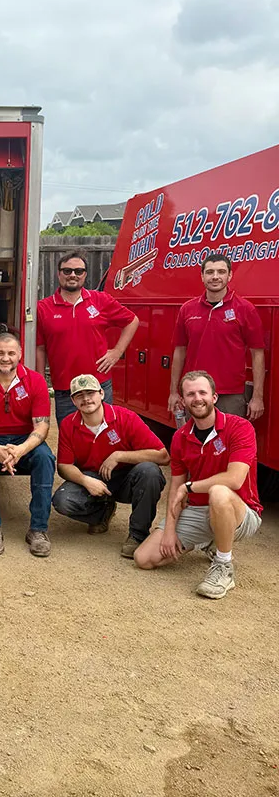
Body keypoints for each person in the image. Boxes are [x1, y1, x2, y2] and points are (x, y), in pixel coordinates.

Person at [134, 370, 262, 600]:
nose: (197, 398)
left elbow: (234, 479)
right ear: (183, 401)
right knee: (144, 559)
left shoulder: (239, 427)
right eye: (190, 394)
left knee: (219, 492)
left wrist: (190, 487)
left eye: (203, 392)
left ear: (214, 397)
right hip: (199, 510)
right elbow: (176, 487)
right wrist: (170, 531)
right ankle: (209, 539)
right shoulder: (181, 437)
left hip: (241, 511)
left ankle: (224, 566)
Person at [52, 374, 169, 558]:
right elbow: (64, 466)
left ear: (101, 393)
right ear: (73, 401)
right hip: (94, 478)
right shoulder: (68, 424)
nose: (86, 399)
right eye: (79, 395)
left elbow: (162, 455)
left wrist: (119, 455)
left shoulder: (126, 417)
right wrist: (85, 481)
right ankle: (102, 512)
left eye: (90, 393)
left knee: (150, 472)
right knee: (63, 501)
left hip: (127, 477)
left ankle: (138, 535)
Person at [0, 333, 56, 557]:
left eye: (11, 353)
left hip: (24, 440)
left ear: (20, 355)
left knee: (45, 458)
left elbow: (42, 427)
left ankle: (38, 530)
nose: (6, 358)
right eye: (1, 353)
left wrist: (20, 450)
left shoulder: (35, 381)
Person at [36, 250, 139, 426]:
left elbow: (132, 321)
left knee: (104, 434)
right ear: (59, 273)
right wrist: (40, 385)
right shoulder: (43, 308)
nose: (73, 275)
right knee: (70, 435)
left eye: (78, 271)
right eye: (67, 271)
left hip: (98, 384)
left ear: (85, 274)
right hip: (65, 389)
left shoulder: (101, 300)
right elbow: (40, 348)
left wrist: (117, 352)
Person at [168, 254, 264, 422]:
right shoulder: (187, 310)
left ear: (230, 275)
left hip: (231, 395)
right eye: (210, 272)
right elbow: (179, 352)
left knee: (230, 444)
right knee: (196, 443)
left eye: (221, 271)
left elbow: (258, 354)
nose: (215, 277)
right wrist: (174, 392)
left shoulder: (245, 309)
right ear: (202, 276)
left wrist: (257, 397)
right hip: (195, 391)